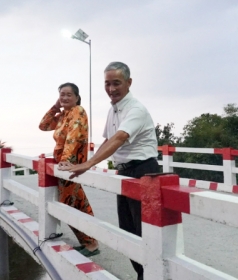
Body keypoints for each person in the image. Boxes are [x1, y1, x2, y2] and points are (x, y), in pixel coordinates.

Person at [59, 62, 159, 280]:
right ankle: (142, 275)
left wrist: (87, 164)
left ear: (129, 83)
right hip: (125, 171)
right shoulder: (114, 109)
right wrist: (88, 163)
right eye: (107, 84)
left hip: (143, 171)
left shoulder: (135, 109)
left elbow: (120, 137)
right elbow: (107, 140)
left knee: (143, 232)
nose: (111, 89)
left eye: (117, 83)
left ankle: (149, 276)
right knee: (128, 230)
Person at [39, 82, 99, 257]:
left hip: (72, 165)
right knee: (79, 203)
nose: (64, 98)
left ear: (77, 98)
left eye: (68, 95)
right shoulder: (64, 115)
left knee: (70, 204)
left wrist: (66, 160)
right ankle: (89, 242)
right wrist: (55, 107)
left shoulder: (77, 112)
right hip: (66, 166)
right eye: (61, 95)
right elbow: (43, 126)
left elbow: (73, 137)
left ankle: (91, 243)